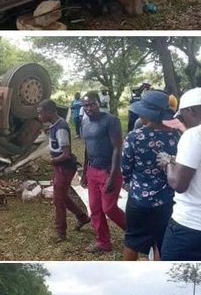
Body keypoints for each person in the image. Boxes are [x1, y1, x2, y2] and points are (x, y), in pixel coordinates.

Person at [121, 90, 180, 260]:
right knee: (161, 242)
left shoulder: (134, 137)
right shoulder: (175, 137)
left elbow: (125, 168)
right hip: (167, 201)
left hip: (139, 201)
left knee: (132, 241)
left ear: (148, 114)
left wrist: (130, 182)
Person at [80, 91, 127, 253]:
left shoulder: (111, 121)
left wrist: (113, 176)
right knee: (95, 209)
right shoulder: (84, 124)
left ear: (99, 103)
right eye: (85, 105)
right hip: (92, 171)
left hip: (108, 171)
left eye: (92, 104)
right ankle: (103, 242)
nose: (89, 108)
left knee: (109, 209)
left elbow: (117, 148)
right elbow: (87, 149)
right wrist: (85, 172)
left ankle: (135, 233)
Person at [37, 99, 90, 242]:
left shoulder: (61, 128)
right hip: (60, 167)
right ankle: (82, 217)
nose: (39, 116)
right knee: (62, 196)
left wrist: (53, 160)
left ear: (49, 112)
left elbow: (66, 153)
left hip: (64, 168)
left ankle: (60, 232)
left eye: (41, 113)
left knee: (58, 200)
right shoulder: (55, 125)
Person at [158, 87, 201, 259]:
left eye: (182, 117)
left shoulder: (194, 135)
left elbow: (179, 184)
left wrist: (168, 162)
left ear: (191, 110)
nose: (182, 123)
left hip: (190, 226)